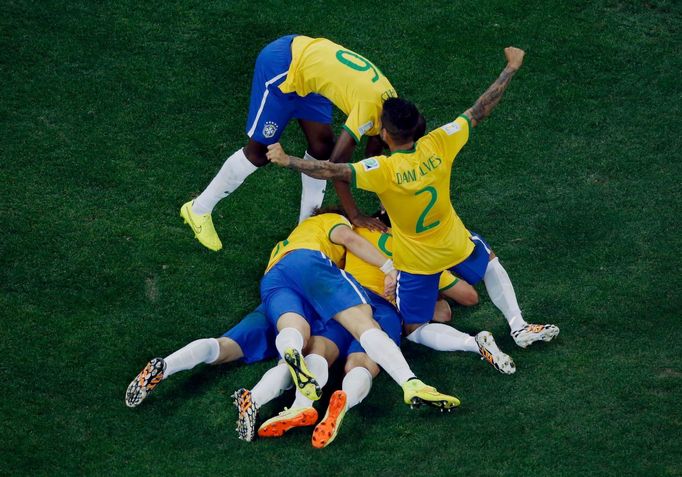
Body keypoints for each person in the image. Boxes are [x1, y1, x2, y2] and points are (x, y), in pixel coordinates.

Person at [266, 47, 559, 348]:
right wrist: (511, 67)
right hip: (453, 241)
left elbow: (331, 169)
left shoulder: (383, 169)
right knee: (489, 262)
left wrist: (288, 160)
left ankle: (473, 343)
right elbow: (480, 109)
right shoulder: (439, 142)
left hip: (415, 259)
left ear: (385, 135)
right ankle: (518, 325)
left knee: (415, 327)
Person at [181, 35, 397, 252]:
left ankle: (304, 229)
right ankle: (198, 209)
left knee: (322, 146)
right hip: (283, 67)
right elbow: (337, 167)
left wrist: (388, 201)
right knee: (259, 153)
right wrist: (356, 215)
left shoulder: (391, 108)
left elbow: (374, 157)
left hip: (309, 76)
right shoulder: (368, 112)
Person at [257, 210, 460, 416]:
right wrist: (389, 268)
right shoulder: (332, 220)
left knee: (295, 329)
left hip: (273, 278)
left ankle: (281, 384)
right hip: (314, 263)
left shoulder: (286, 242)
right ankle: (410, 381)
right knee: (365, 325)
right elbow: (347, 237)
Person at [124, 305, 285, 408]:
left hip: (272, 302)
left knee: (221, 346)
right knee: (292, 361)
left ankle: (166, 365)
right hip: (303, 313)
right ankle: (253, 402)